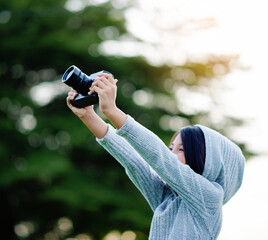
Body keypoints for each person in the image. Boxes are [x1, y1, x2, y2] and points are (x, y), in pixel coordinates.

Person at [66, 72, 245, 240]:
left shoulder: (210, 198)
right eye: (171, 148)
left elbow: (161, 159)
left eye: (181, 150)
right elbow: (134, 162)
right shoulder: (167, 198)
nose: (171, 154)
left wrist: (112, 110)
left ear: (209, 163)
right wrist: (88, 115)